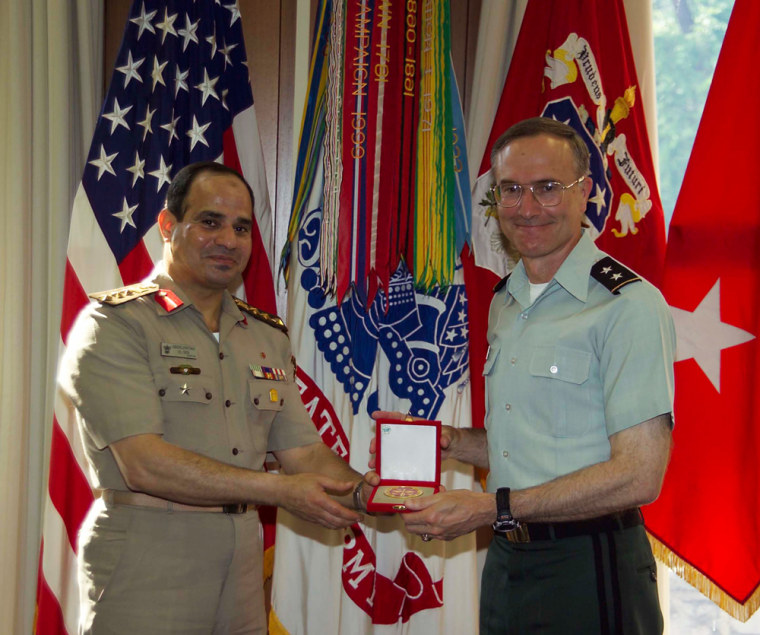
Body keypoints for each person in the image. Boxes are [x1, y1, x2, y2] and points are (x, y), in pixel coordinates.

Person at [382, 117, 676, 634]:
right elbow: (526, 442)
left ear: (584, 192)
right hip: (508, 565)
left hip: (591, 563)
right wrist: (451, 443)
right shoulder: (505, 301)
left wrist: (490, 507)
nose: (527, 208)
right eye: (511, 190)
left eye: (547, 188)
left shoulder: (628, 305)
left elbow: (639, 474)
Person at [59, 161, 371, 634]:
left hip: (241, 567)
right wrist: (279, 491)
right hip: (148, 560)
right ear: (168, 226)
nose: (228, 239)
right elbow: (143, 462)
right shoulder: (115, 325)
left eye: (241, 227)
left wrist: (372, 493)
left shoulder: (266, 337)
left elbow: (304, 452)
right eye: (210, 222)